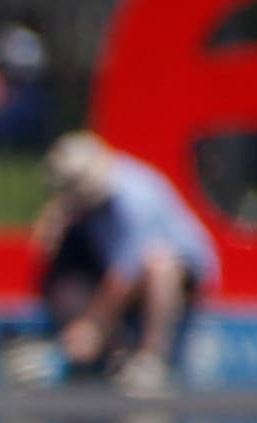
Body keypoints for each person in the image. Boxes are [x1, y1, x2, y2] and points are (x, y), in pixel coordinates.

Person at [32, 133, 221, 389]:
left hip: (175, 278)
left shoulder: (136, 197)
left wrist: (93, 326)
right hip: (116, 278)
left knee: (159, 265)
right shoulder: (83, 204)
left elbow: (124, 275)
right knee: (68, 289)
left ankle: (152, 360)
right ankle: (114, 357)